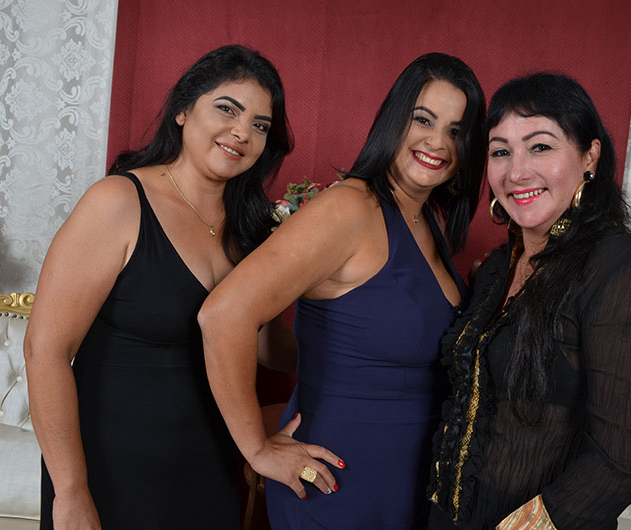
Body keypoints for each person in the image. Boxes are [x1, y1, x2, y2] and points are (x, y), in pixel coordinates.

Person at [198, 52, 486, 529]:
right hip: (337, 486)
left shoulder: (425, 219)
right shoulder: (351, 208)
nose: (438, 142)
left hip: (406, 486)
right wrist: (258, 449)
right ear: (394, 119)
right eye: (423, 119)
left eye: (456, 131)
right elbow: (224, 315)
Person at [23, 44, 294, 529]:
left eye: (259, 125)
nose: (242, 132)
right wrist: (71, 491)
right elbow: (45, 350)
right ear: (182, 110)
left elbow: (266, 347)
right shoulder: (117, 201)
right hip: (109, 467)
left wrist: (349, 327)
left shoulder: (252, 229)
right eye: (227, 109)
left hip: (208, 464)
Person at [424, 73, 631, 530]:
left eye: (540, 146)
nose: (516, 172)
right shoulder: (496, 267)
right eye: (501, 151)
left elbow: (624, 460)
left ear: (590, 157)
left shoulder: (621, 268)